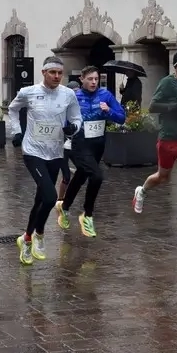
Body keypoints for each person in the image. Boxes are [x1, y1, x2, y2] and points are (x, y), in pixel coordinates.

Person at [9, 56, 82, 265]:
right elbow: (13, 110)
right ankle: (40, 233)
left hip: (55, 152)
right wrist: (17, 131)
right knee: (50, 197)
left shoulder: (68, 94)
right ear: (43, 72)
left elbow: (77, 118)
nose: (57, 76)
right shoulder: (28, 92)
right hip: (33, 152)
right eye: (53, 72)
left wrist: (73, 128)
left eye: (60, 73)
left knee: (40, 200)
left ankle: (26, 239)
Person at [132, 51, 177, 234]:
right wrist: (173, 106)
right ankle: (141, 191)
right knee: (162, 177)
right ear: (176, 66)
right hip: (168, 137)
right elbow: (153, 107)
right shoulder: (166, 83)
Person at [57, 67, 126, 238]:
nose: (94, 82)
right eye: (90, 79)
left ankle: (64, 207)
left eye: (96, 79)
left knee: (81, 175)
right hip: (79, 144)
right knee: (97, 176)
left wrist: (108, 111)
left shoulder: (106, 95)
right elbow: (63, 119)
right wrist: (67, 127)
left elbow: (122, 117)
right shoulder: (74, 97)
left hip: (98, 145)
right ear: (82, 79)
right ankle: (87, 215)